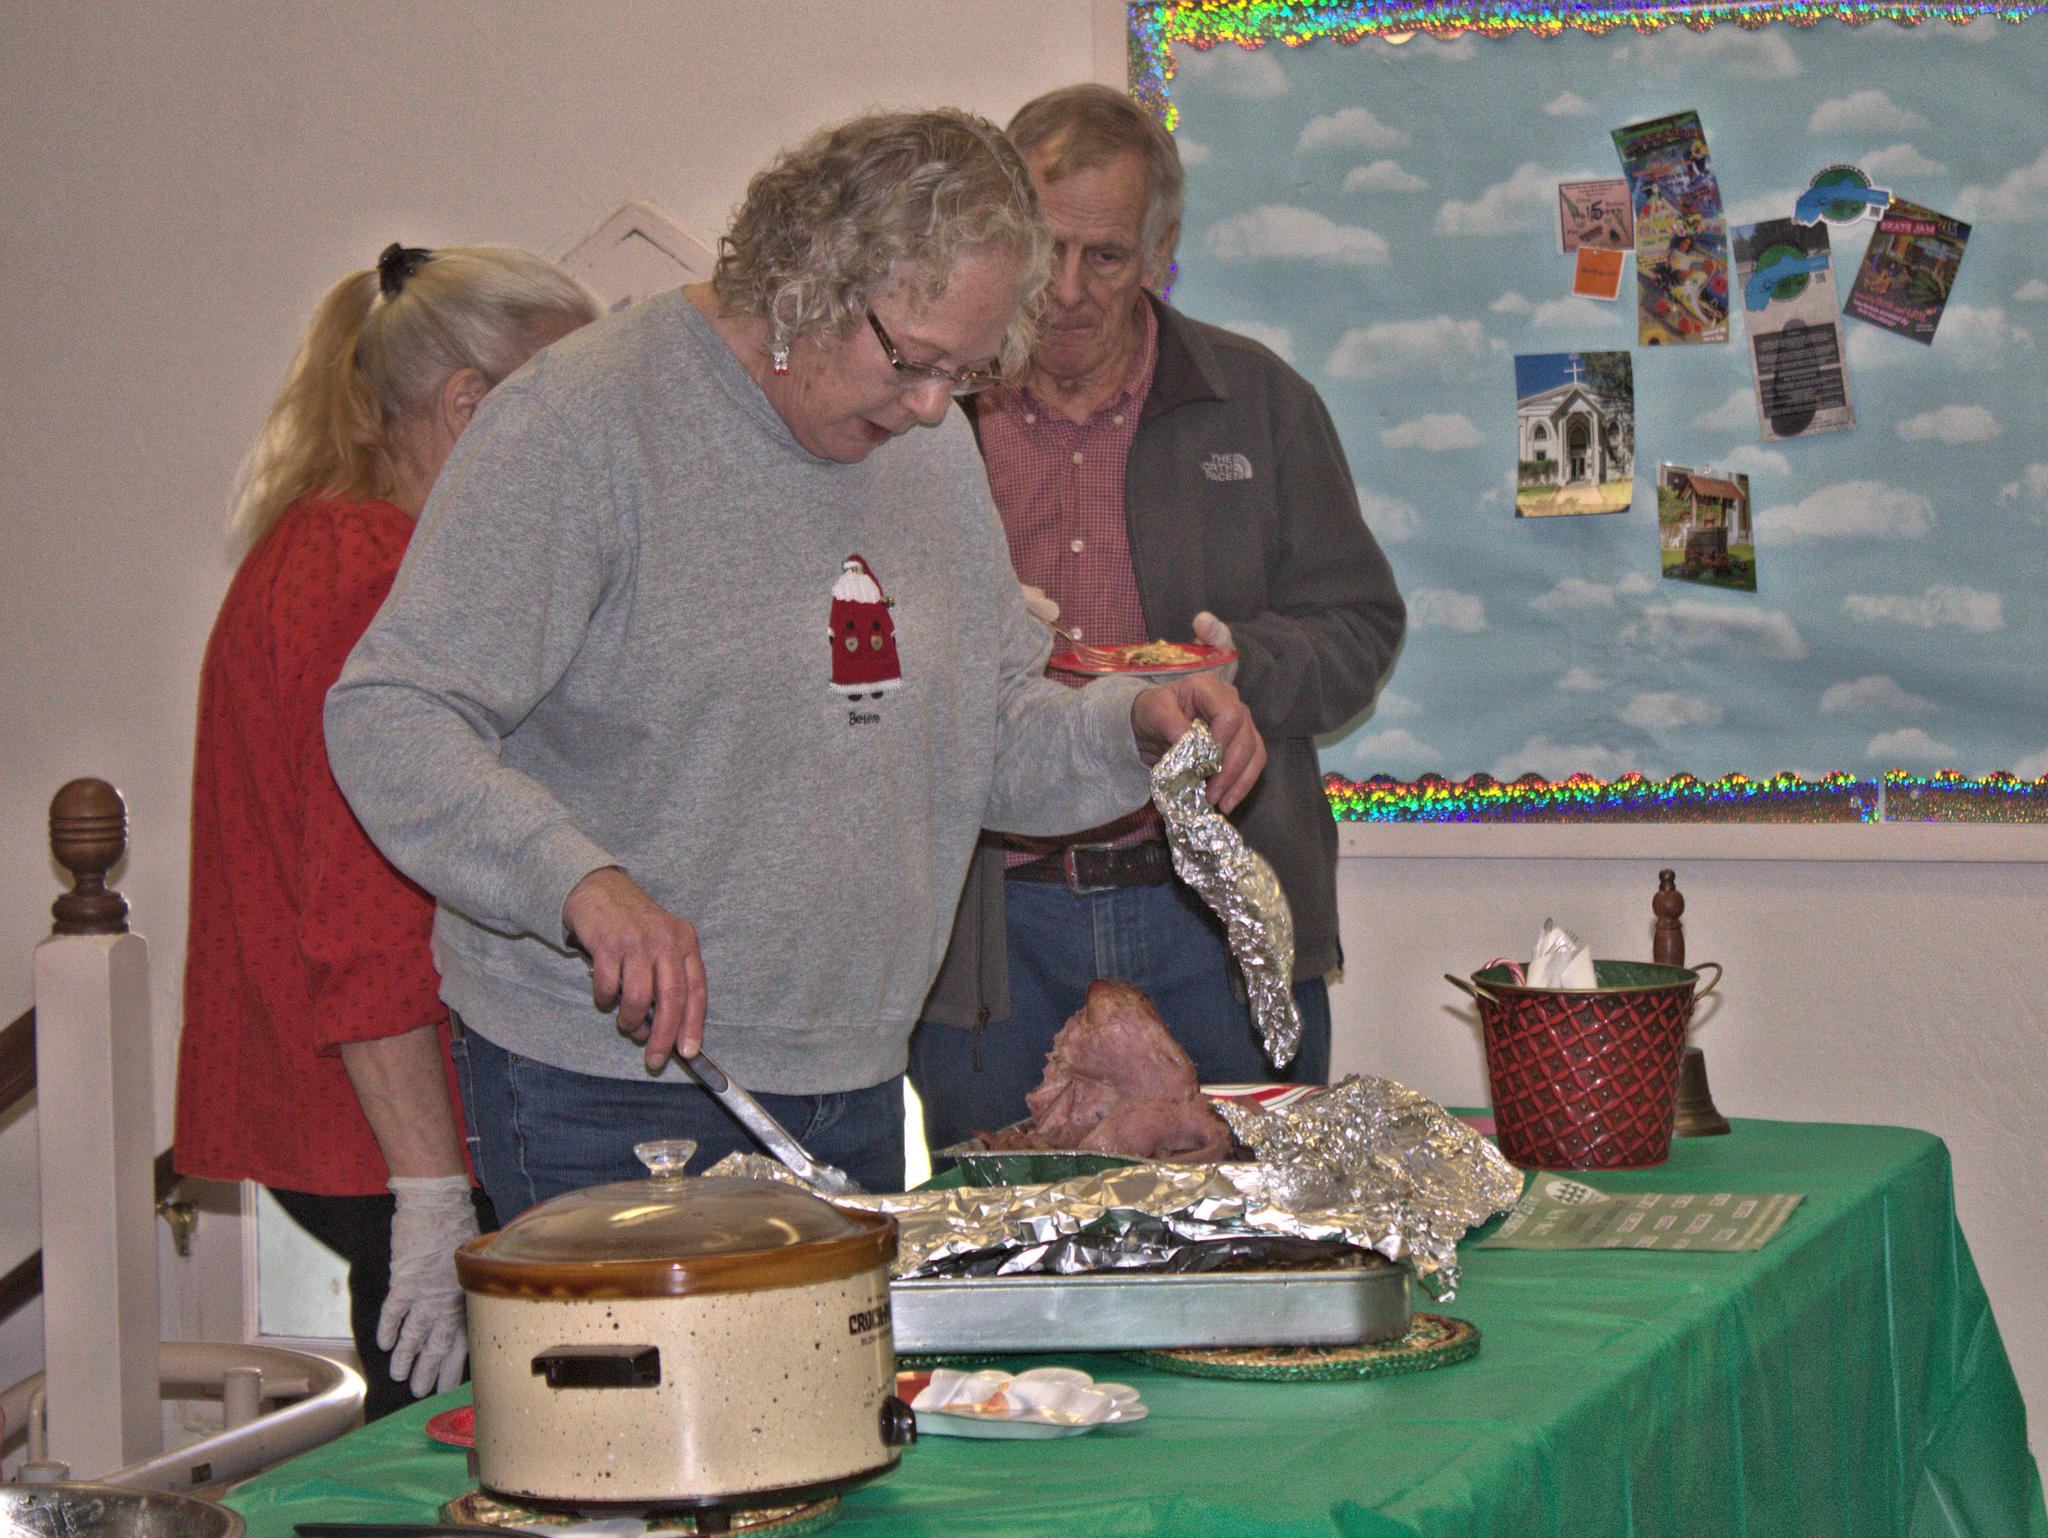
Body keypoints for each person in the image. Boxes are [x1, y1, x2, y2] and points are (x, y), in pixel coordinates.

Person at [322, 109, 1266, 1219]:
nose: (928, 408)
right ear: (807, 276)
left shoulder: (926, 445)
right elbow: (390, 712)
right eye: (910, 362)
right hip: (611, 1085)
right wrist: (577, 879)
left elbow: (985, 733)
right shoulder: (581, 424)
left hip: (855, 1078)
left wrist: (1131, 724)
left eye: (958, 376)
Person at [910, 84, 1406, 1151]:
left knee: (1248, 1250)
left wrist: (1243, 669)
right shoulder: (924, 414)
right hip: (992, 923)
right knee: (1004, 1254)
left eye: (1108, 256)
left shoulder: (1259, 402)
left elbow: (1359, 628)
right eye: (1047, 254)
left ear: (1160, 248)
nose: (1073, 293)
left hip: (1211, 914)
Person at [174, 243, 599, 1420]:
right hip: (386, 1124)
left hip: (363, 1108)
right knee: (446, 1457)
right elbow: (368, 898)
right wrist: (428, 1188)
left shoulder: (329, 544)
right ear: (471, 403)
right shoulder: (370, 570)